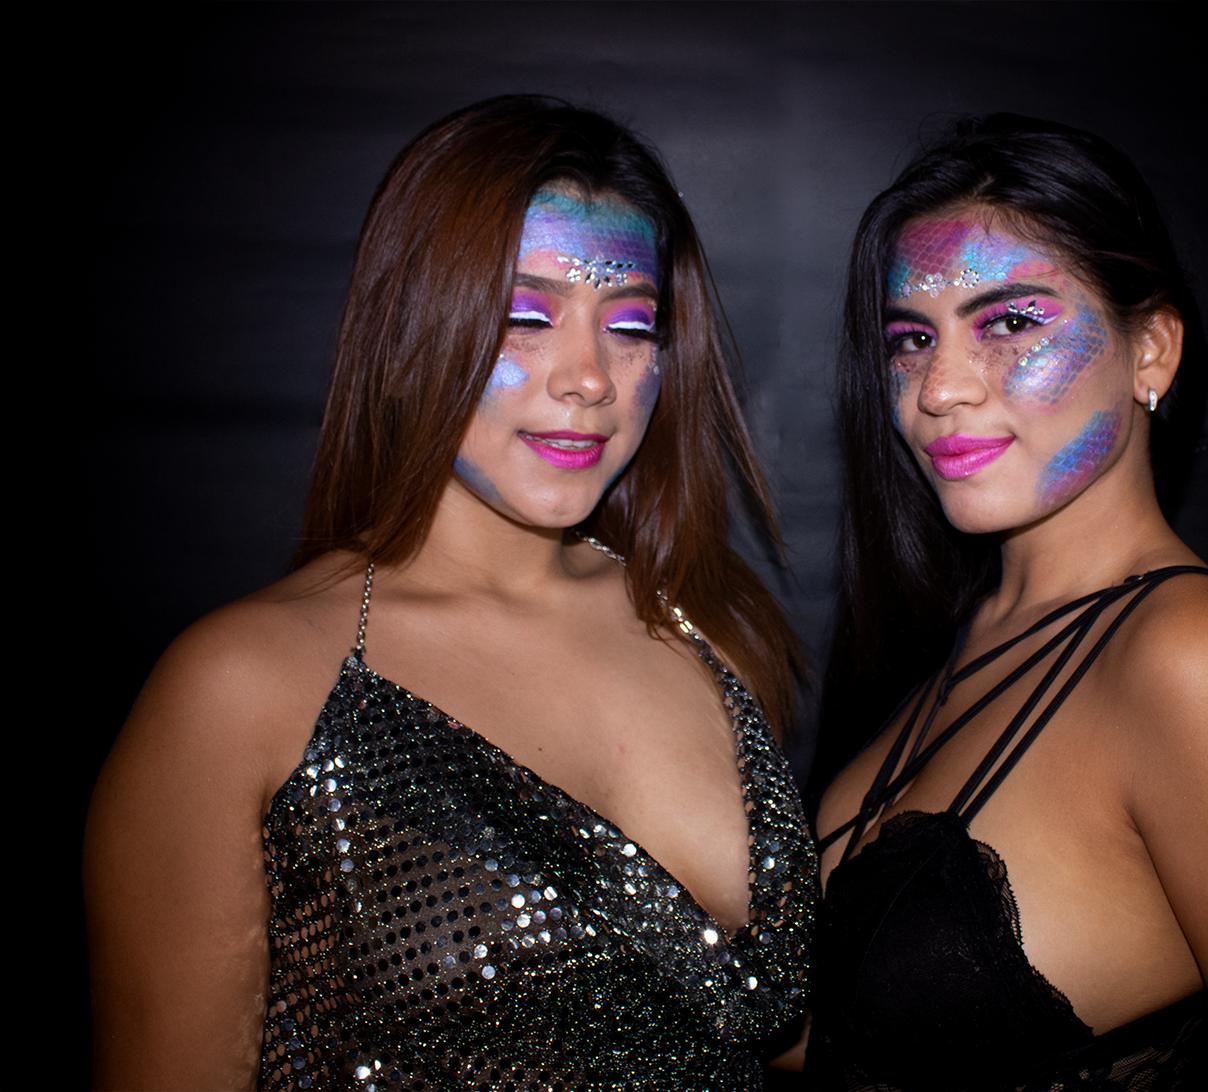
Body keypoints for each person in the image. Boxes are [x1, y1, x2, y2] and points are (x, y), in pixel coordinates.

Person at [86, 96, 816, 1091]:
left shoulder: (709, 634)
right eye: (526, 317)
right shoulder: (245, 686)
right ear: (411, 330)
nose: (589, 378)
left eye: (630, 325)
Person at [808, 115, 1208, 1090]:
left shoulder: (1198, 660)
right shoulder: (949, 641)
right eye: (912, 339)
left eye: (1010, 323)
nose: (941, 388)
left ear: (1153, 352)